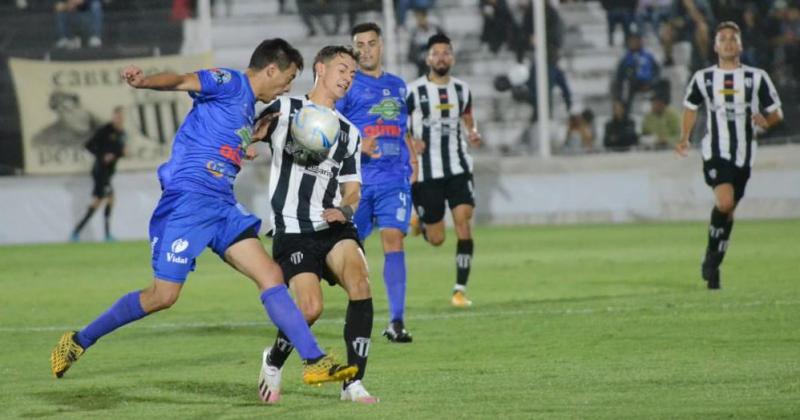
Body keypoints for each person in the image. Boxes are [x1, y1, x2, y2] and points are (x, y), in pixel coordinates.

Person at [50, 39, 357, 389]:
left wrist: (243, 148)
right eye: (286, 79)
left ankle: (314, 361)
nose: (287, 88)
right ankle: (78, 340)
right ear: (271, 69)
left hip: (221, 206)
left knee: (271, 275)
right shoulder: (229, 82)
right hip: (189, 202)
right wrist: (144, 81)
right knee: (162, 296)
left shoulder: (247, 110)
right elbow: (181, 80)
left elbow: (220, 141)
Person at [256, 45, 378, 404]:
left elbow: (353, 189)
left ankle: (353, 383)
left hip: (332, 225)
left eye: (353, 74)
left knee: (360, 282)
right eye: (342, 69)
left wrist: (346, 209)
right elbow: (250, 133)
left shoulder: (349, 132)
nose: (348, 78)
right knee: (310, 308)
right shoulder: (285, 108)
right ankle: (274, 360)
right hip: (292, 229)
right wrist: (248, 142)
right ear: (320, 69)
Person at [676, 21, 783, 289]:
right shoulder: (704, 78)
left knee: (730, 209)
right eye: (722, 38)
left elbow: (777, 112)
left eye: (732, 39)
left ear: (740, 45)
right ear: (715, 46)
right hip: (716, 150)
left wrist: (766, 121)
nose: (727, 43)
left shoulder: (756, 77)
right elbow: (691, 107)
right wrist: (685, 137)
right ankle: (712, 259)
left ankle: (713, 263)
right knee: (724, 202)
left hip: (744, 155)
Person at [336, 22, 416, 343]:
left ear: (381, 46)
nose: (366, 50)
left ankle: (396, 321)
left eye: (371, 43)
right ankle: (354, 307)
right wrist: (358, 144)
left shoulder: (398, 86)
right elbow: (332, 126)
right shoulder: (347, 86)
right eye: (360, 44)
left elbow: (402, 128)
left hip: (394, 179)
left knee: (394, 240)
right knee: (349, 249)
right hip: (358, 180)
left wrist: (414, 161)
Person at [407, 33, 482, 307]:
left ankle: (459, 290)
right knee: (437, 239)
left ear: (452, 57)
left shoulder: (462, 89)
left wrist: (473, 132)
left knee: (463, 219)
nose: (441, 57)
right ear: (428, 58)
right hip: (427, 172)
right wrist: (412, 141)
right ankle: (424, 224)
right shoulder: (413, 91)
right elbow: (399, 126)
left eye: (446, 53)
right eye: (436, 53)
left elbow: (469, 118)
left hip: (458, 165)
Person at [70, 106, 127, 242]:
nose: (119, 119)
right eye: (117, 116)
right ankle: (106, 235)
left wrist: (120, 154)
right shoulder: (105, 130)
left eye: (121, 117)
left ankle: (77, 232)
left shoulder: (122, 133)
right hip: (100, 171)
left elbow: (117, 152)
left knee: (98, 201)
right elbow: (89, 145)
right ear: (113, 117)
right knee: (109, 199)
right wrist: (102, 156)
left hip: (108, 173)